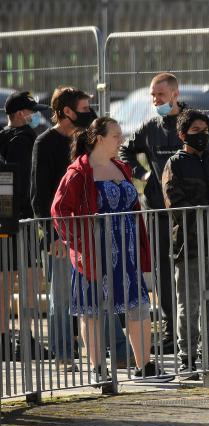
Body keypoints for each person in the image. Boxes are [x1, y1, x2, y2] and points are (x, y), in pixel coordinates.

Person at [51, 117, 164, 381]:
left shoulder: (122, 167)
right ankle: (98, 368)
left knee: (138, 306)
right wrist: (79, 243)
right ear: (99, 138)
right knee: (92, 311)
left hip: (127, 251)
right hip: (93, 254)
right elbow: (59, 211)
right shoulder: (78, 172)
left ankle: (144, 366)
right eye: (116, 136)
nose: (121, 141)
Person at [31, 86, 129, 372]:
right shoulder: (45, 143)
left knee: (102, 292)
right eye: (84, 109)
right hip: (62, 236)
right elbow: (40, 196)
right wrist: (52, 236)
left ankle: (119, 350)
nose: (91, 113)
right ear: (67, 112)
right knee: (61, 298)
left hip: (91, 234)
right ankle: (63, 355)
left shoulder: (87, 139)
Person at [119, 73, 209, 354]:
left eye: (160, 95)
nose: (155, 100)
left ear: (175, 94)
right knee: (161, 271)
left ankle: (194, 336)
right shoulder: (150, 127)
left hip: (188, 214)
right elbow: (125, 150)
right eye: (152, 95)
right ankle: (172, 331)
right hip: (158, 211)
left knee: (189, 272)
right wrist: (142, 174)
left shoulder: (193, 123)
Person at [162, 109, 209, 381]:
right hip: (190, 247)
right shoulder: (175, 165)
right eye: (195, 131)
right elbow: (176, 204)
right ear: (183, 135)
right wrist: (200, 227)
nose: (202, 136)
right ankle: (187, 361)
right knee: (189, 304)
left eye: (205, 130)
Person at [0, 92, 44, 363]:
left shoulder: (3, 138)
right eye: (31, 111)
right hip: (21, 221)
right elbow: (24, 182)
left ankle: (6, 339)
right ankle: (24, 339)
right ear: (19, 115)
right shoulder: (24, 141)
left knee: (5, 281)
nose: (35, 116)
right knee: (28, 279)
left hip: (5, 220)